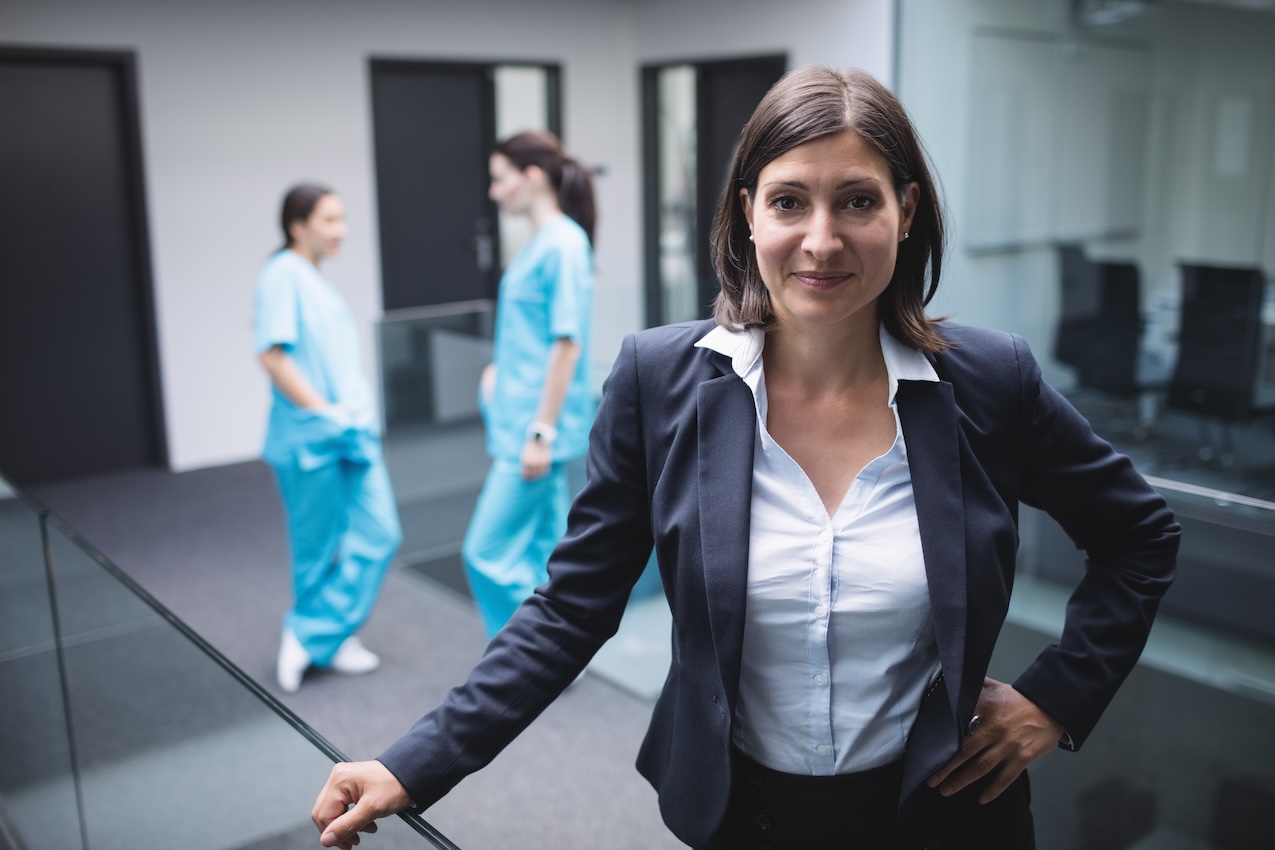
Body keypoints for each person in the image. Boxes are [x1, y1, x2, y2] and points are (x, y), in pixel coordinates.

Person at [311, 67, 1178, 849]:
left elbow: (1139, 536)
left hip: (945, 818)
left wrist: (1057, 695)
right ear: (746, 211)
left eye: (858, 202)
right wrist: (414, 763)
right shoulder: (659, 381)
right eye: (790, 201)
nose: (822, 241)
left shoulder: (990, 382)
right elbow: (572, 607)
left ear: (905, 210)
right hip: (744, 820)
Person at [255, 184, 402, 694]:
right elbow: (273, 356)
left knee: (380, 533)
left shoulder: (315, 279)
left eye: (343, 220)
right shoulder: (281, 276)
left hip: (351, 435)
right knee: (316, 548)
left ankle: (316, 631)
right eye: (329, 221)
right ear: (298, 225)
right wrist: (326, 412)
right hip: (311, 438)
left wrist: (350, 414)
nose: (340, 231)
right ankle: (324, 638)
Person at [462, 130, 597, 640]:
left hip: (532, 429)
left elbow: (567, 344)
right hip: (520, 416)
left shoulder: (562, 243)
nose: (494, 192)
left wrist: (541, 429)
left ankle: (532, 648)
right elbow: (533, 331)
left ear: (532, 177)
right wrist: (499, 366)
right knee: (547, 546)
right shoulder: (543, 242)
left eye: (500, 179)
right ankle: (556, 647)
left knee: (485, 551)